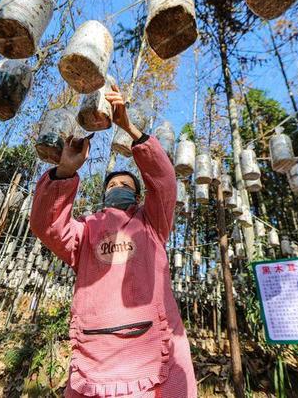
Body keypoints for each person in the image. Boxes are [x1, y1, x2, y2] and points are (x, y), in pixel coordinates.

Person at [30, 85, 197, 398]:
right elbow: (46, 225)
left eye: (126, 184)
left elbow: (164, 181)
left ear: (136, 195)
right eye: (113, 184)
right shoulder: (85, 230)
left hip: (154, 350)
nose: (118, 187)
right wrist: (66, 168)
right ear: (104, 194)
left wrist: (128, 128)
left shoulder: (152, 223)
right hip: (95, 355)